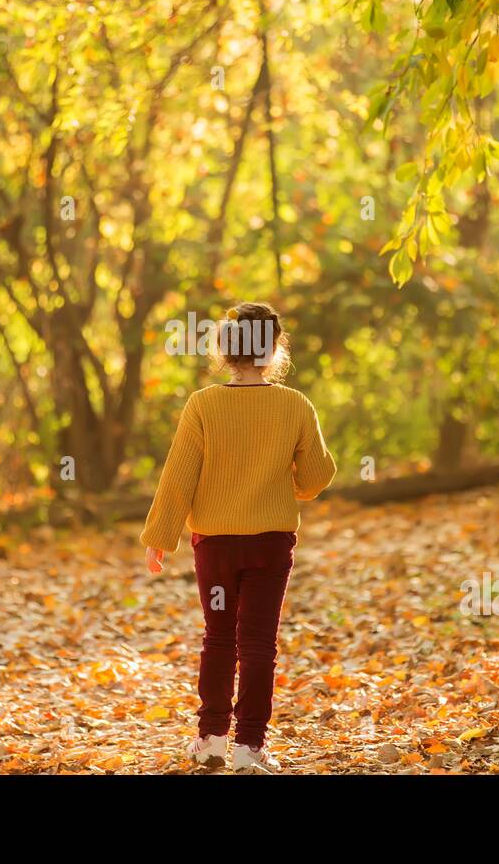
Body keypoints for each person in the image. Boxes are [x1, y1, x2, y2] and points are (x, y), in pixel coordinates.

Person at [141, 301, 336, 772]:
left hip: (215, 545)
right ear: (272, 351)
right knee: (258, 642)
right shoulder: (295, 405)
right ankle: (249, 747)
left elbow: (179, 477)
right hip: (270, 544)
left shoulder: (203, 404)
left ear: (226, 350)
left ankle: (209, 739)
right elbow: (314, 479)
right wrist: (283, 476)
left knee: (219, 638)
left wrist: (160, 536)